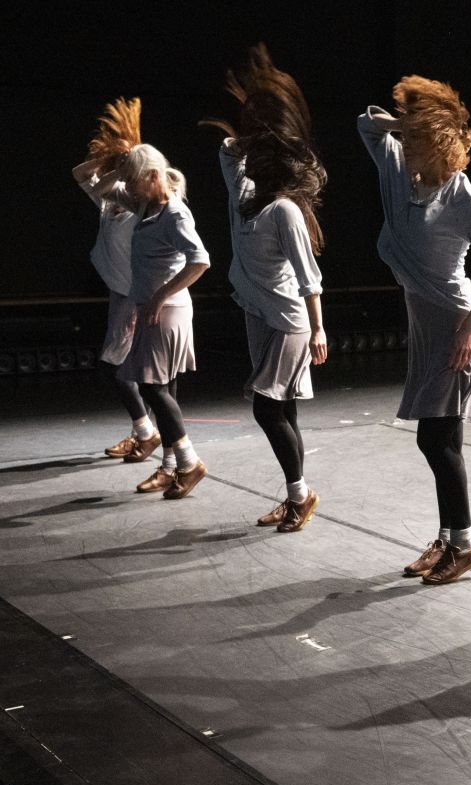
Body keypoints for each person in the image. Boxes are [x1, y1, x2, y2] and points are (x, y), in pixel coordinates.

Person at [358, 74, 471, 581]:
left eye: (416, 141)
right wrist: (408, 124)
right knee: (442, 440)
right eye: (406, 139)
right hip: (427, 328)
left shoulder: (467, 198)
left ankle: (464, 542)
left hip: (458, 327)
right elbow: (366, 123)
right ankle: (448, 538)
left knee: (436, 440)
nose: (405, 148)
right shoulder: (400, 175)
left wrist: (468, 328)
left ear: (439, 146)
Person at [207, 44, 328, 532]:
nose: (249, 162)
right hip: (256, 311)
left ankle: (301, 495)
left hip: (290, 321)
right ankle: (296, 493)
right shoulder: (244, 196)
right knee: (282, 409)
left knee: (265, 406)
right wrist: (256, 131)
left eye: (259, 156)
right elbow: (226, 151)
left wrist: (319, 329)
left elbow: (308, 276)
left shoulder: (285, 211)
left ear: (271, 164)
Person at [115, 143, 211, 499]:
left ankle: (189, 462)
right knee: (163, 388)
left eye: (134, 180)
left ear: (153, 176)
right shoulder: (146, 207)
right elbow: (99, 187)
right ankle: (170, 467)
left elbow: (200, 261)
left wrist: (158, 296)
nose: (129, 188)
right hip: (154, 310)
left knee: (152, 388)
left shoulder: (174, 214)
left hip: (166, 311)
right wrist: (119, 161)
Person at [72, 97, 160, 464]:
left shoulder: (141, 206)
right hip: (117, 290)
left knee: (117, 367)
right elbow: (81, 175)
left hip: (134, 295)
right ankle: (143, 431)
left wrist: (130, 165)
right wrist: (113, 160)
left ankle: (146, 432)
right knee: (126, 366)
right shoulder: (109, 201)